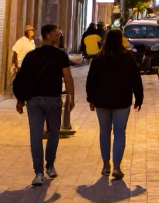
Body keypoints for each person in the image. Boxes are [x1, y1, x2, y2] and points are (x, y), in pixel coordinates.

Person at [13, 23, 75, 186]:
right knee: (54, 133)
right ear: (47, 35)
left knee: (36, 136)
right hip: (52, 99)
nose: (58, 36)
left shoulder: (31, 56)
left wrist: (20, 100)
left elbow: (22, 79)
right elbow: (68, 78)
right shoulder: (60, 55)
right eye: (56, 34)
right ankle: (50, 165)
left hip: (33, 100)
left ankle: (39, 173)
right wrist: (70, 97)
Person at [85, 29, 143, 180]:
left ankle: (106, 165)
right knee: (119, 132)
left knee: (104, 131)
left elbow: (91, 80)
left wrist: (91, 99)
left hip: (102, 100)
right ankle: (116, 167)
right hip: (122, 100)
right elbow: (136, 79)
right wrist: (139, 98)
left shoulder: (98, 59)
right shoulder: (128, 58)